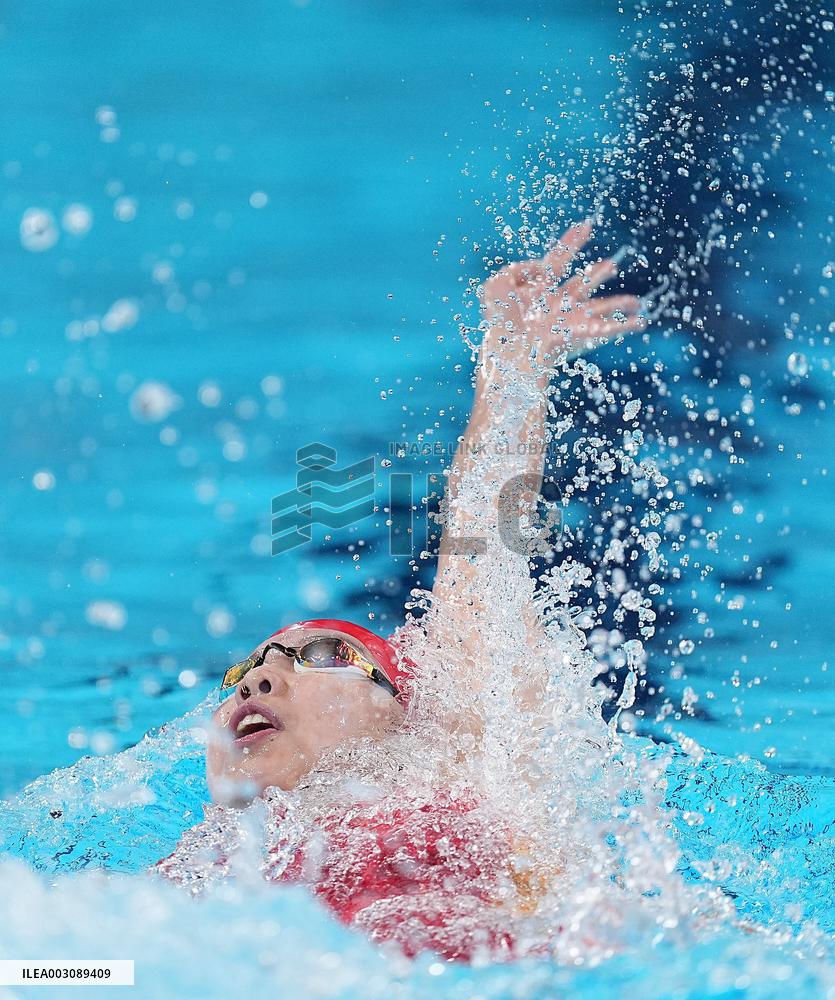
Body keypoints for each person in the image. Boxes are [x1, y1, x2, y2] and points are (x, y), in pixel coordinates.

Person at [156, 220, 646, 962]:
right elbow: (81, 967)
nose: (257, 676)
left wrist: (512, 371)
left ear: (406, 709)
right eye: (248, 667)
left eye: (319, 653)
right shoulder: (188, 879)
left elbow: (485, 538)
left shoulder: (453, 761)